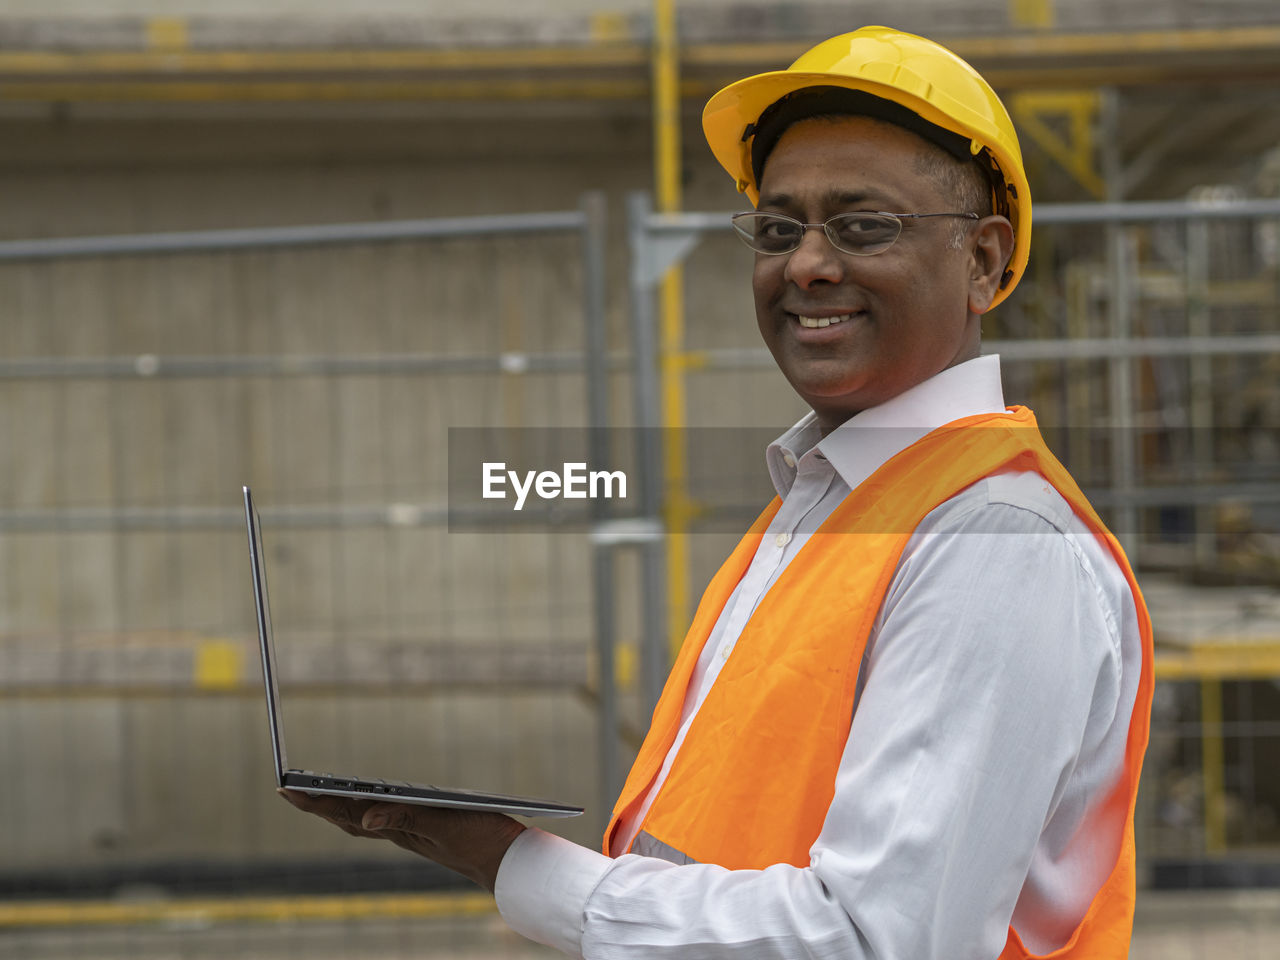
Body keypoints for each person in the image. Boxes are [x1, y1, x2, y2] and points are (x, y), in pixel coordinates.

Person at [282, 26, 1153, 959]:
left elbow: (874, 939)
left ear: (983, 262)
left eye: (863, 226)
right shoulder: (830, 498)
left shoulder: (995, 544)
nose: (807, 263)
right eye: (779, 229)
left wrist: (516, 867)